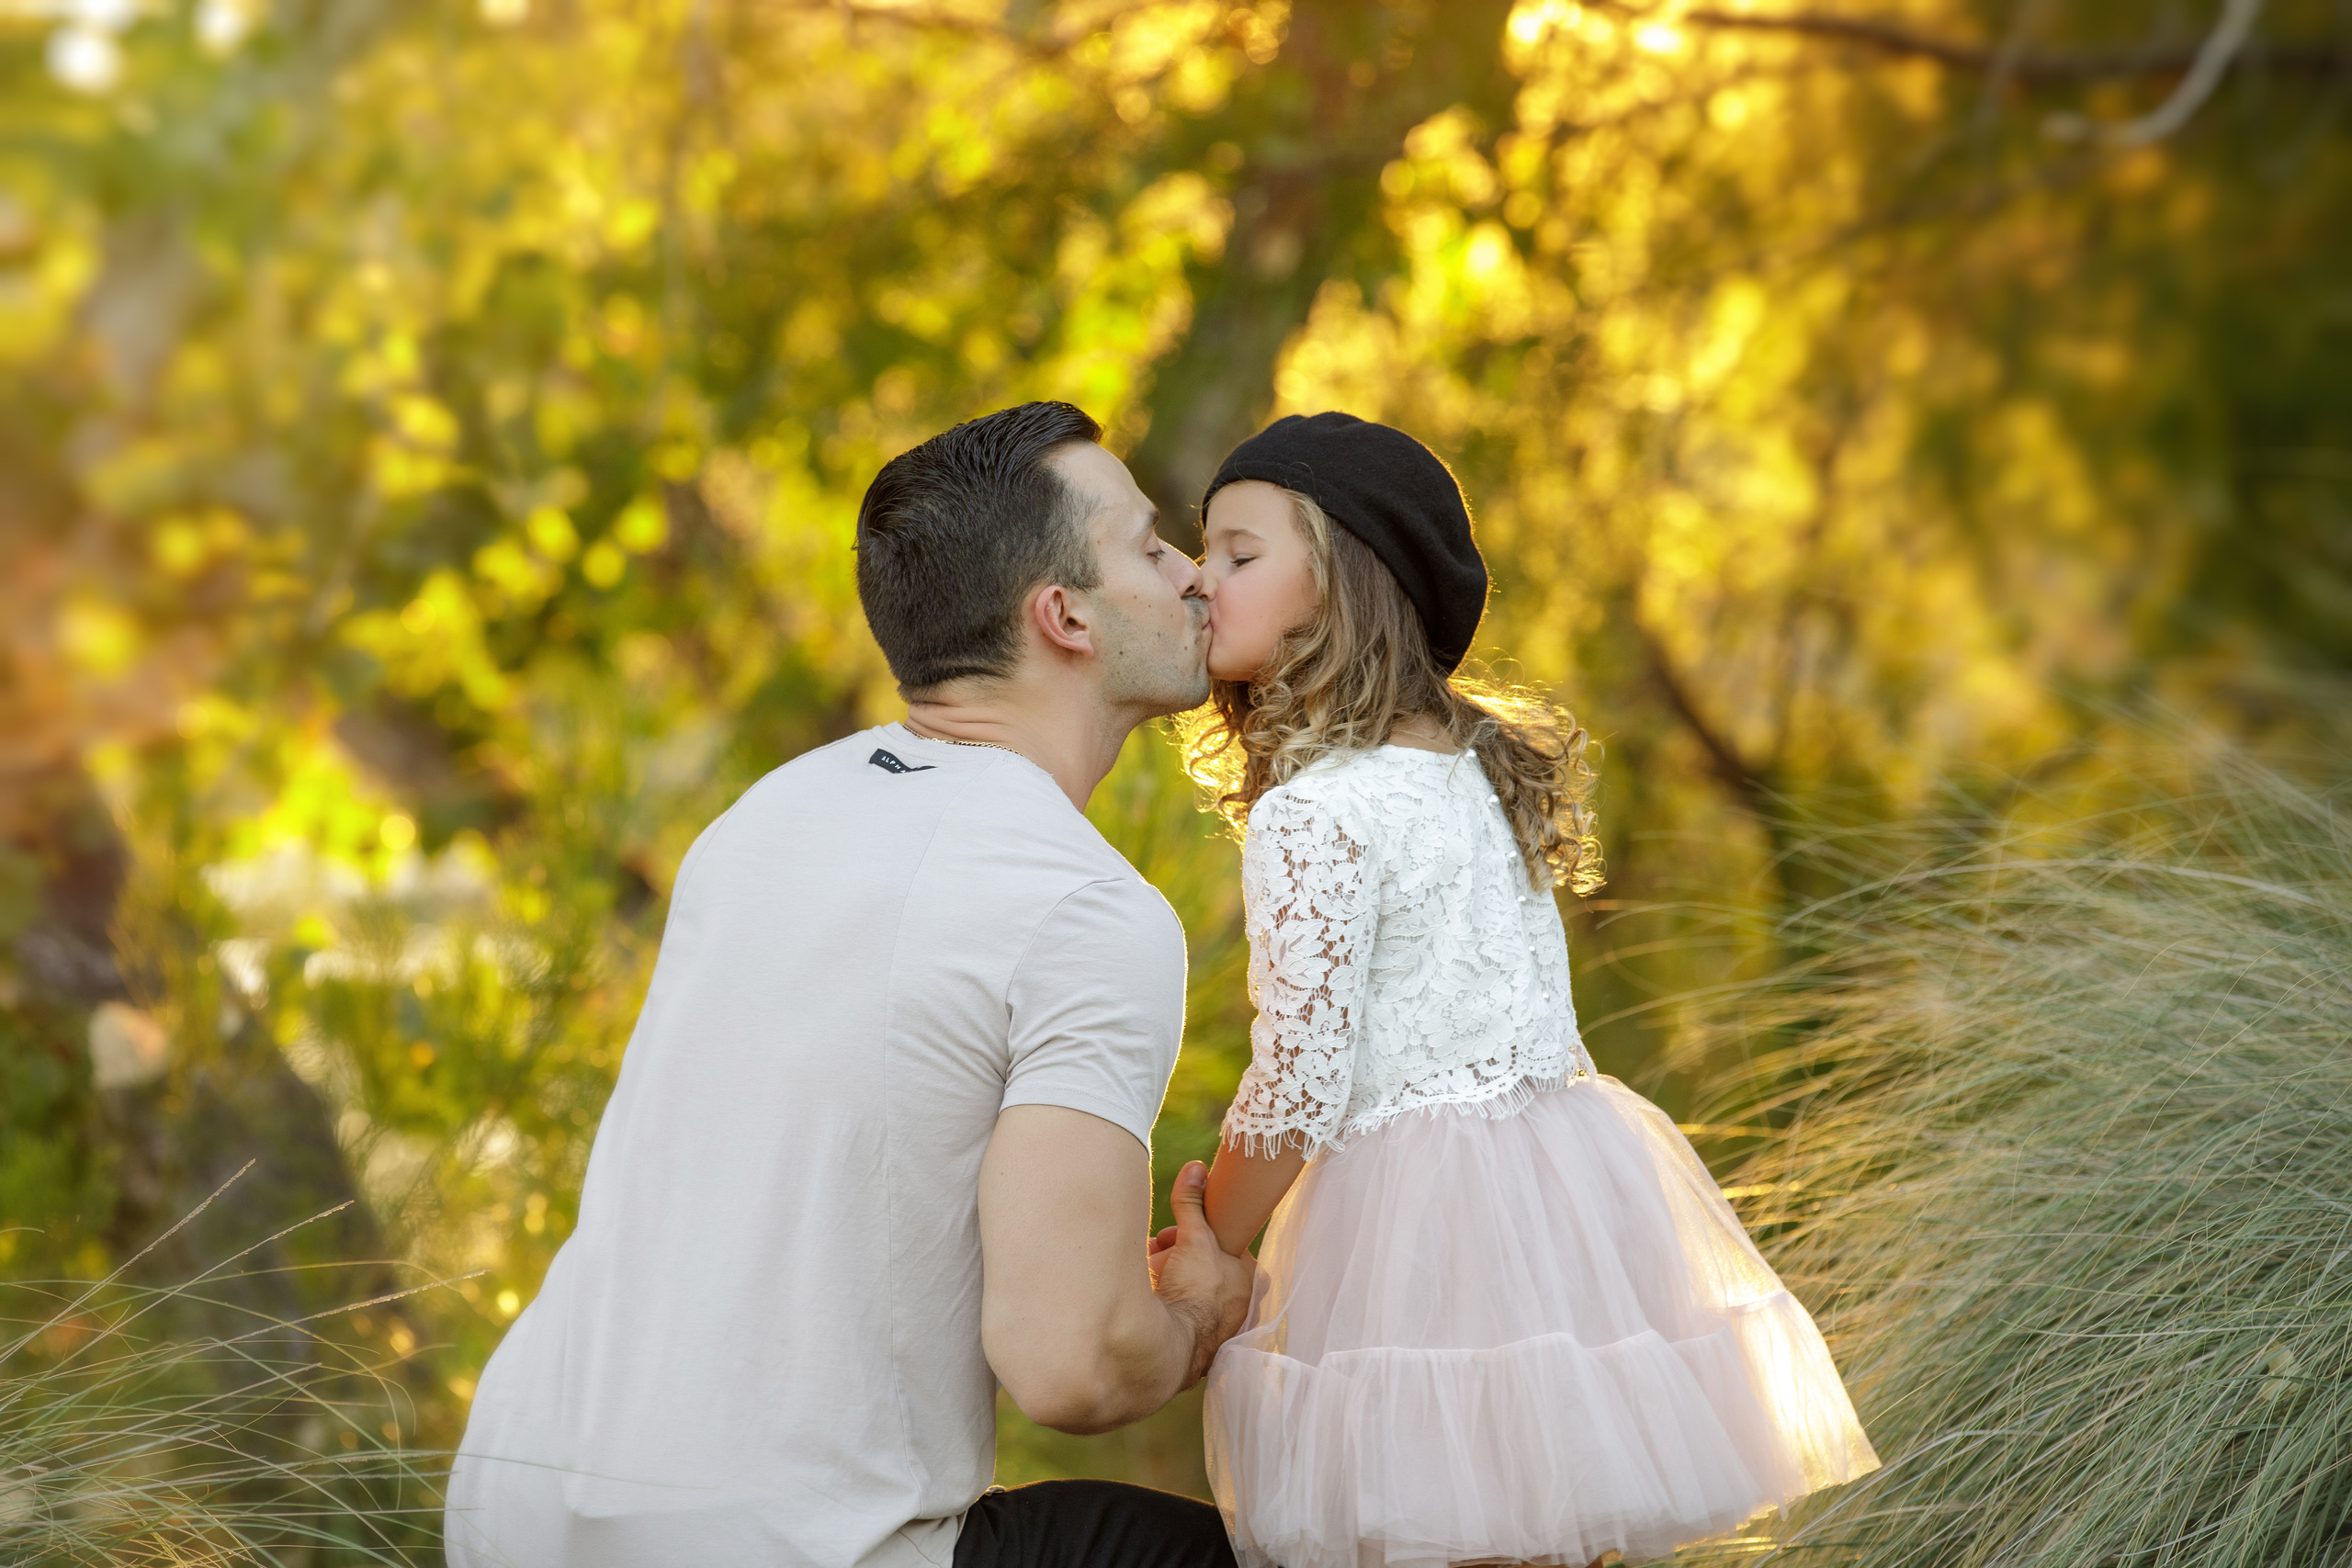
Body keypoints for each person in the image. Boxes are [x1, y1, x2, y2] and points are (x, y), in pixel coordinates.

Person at [445, 401, 1256, 1568]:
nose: (1189, 575)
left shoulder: (767, 814)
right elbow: (1067, 1363)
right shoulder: (1085, 910)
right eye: (1148, 546)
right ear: (1062, 616)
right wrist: (1193, 1318)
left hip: (514, 1514)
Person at [1174, 412, 1881, 1568]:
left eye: (1240, 554)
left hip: (1418, 1226)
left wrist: (1216, 1237)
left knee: (1440, 1520)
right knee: (1546, 1523)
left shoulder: (1311, 809)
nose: (1204, 582)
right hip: (1564, 1196)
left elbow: (1299, 1080)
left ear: (1346, 584)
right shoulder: (1466, 771)